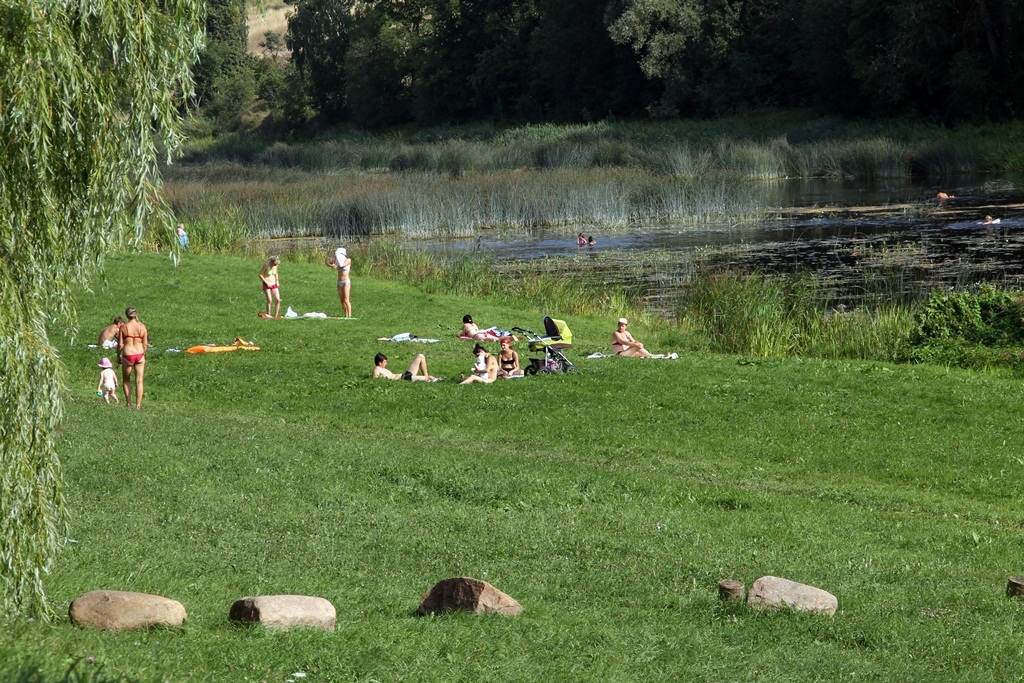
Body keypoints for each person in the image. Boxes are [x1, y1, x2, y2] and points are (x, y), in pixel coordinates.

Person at [118, 306, 148, 409]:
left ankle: (128, 403)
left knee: (126, 380)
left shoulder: (123, 327)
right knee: (139, 381)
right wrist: (143, 354)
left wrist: (118, 356)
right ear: (136, 314)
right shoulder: (142, 327)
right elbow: (145, 344)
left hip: (128, 354)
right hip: (139, 354)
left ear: (127, 316)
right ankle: (138, 405)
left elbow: (120, 344)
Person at [611, 317, 675, 358]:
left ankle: (660, 356)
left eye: (622, 326)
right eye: (619, 325)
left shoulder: (627, 333)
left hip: (627, 352)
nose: (620, 327)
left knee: (643, 354)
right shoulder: (616, 333)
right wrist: (636, 345)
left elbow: (633, 341)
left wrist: (639, 343)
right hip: (620, 354)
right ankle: (655, 356)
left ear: (626, 326)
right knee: (636, 347)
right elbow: (622, 342)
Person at [327, 247, 352, 317]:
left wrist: (336, 266)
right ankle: (346, 314)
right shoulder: (337, 261)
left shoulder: (348, 260)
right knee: (342, 300)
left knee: (346, 300)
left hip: (346, 282)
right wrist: (330, 265)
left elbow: (342, 265)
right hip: (339, 282)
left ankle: (349, 315)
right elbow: (328, 263)